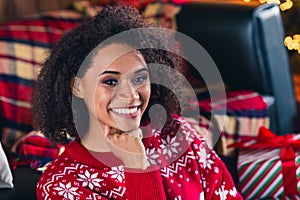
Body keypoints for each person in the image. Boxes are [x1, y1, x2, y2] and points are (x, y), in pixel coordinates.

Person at [32, 6, 243, 200]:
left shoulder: (179, 134)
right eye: (110, 81)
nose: (131, 95)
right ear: (76, 86)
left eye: (139, 78)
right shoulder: (60, 187)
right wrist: (137, 168)